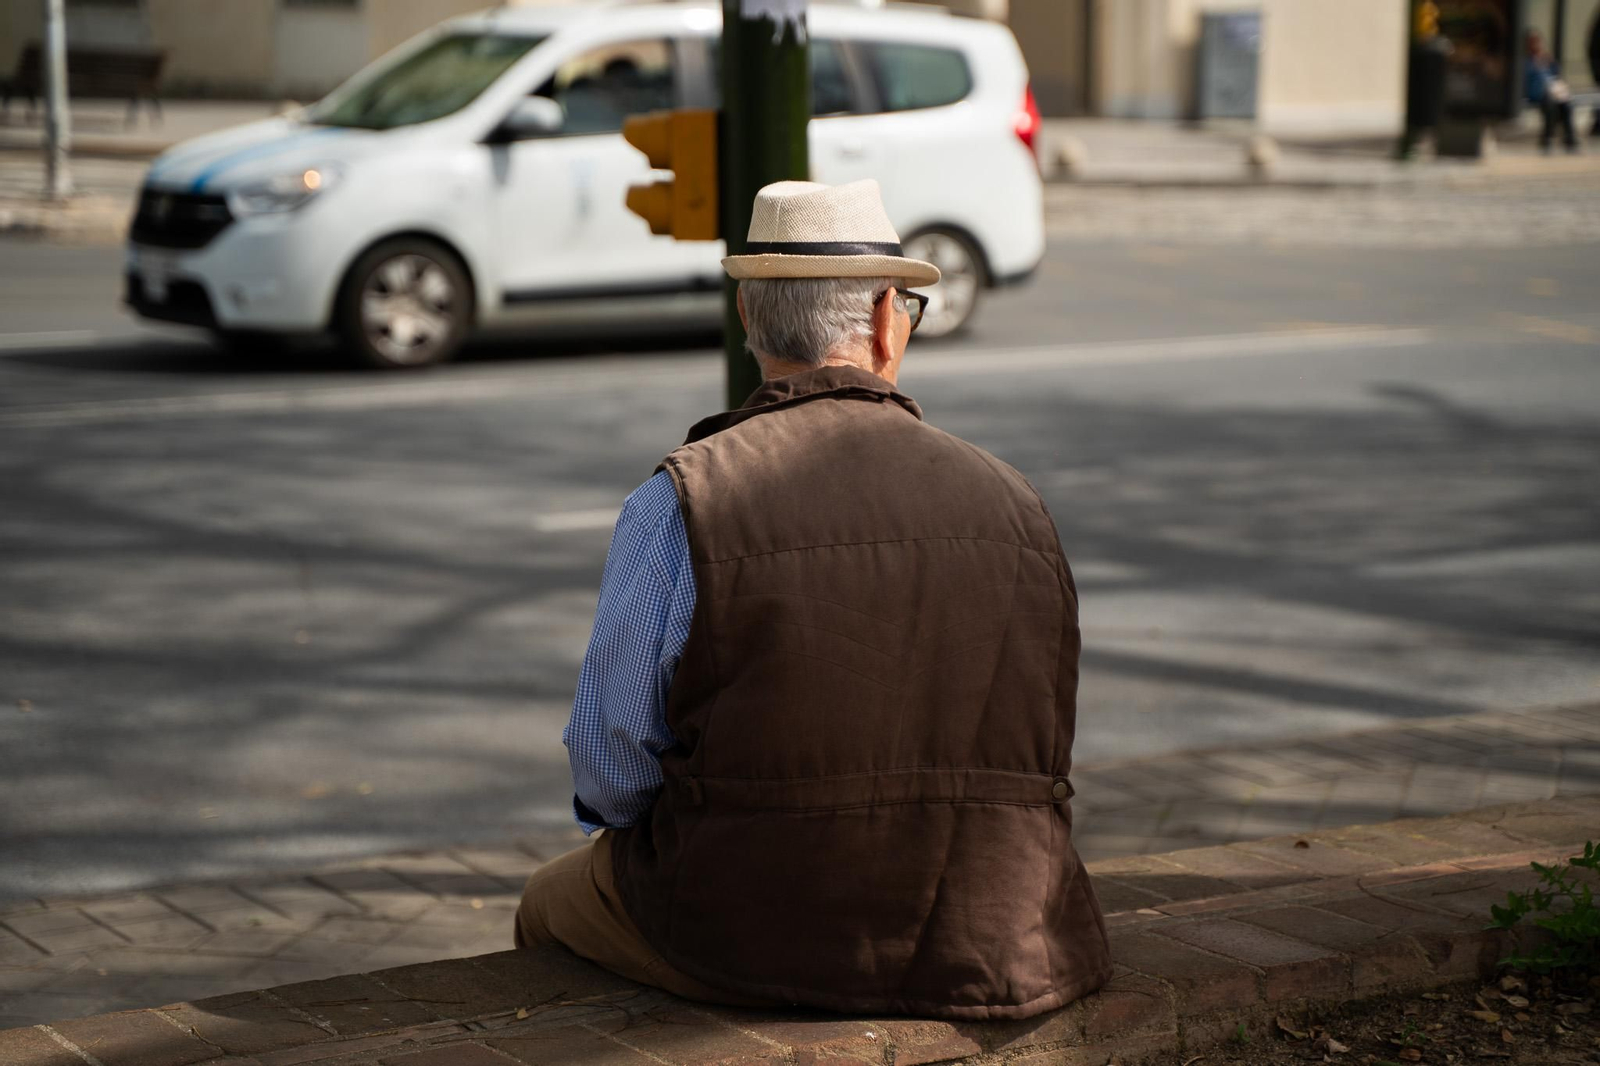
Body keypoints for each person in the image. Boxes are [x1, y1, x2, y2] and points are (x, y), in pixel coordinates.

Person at [515, 179, 1112, 1020]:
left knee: (548, 901)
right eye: (908, 305)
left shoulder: (681, 501)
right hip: (995, 933)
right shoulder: (1015, 501)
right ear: (880, 323)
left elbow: (610, 769)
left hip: (740, 932)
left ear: (750, 322)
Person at [1525, 28, 1578, 153]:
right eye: (1533, 42)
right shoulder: (1526, 60)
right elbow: (1525, 79)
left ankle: (1569, 138)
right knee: (1550, 103)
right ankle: (1547, 138)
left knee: (1566, 104)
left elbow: (1557, 75)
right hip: (1536, 92)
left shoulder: (1547, 59)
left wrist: (1550, 62)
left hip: (1552, 91)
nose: (1537, 45)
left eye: (1538, 41)